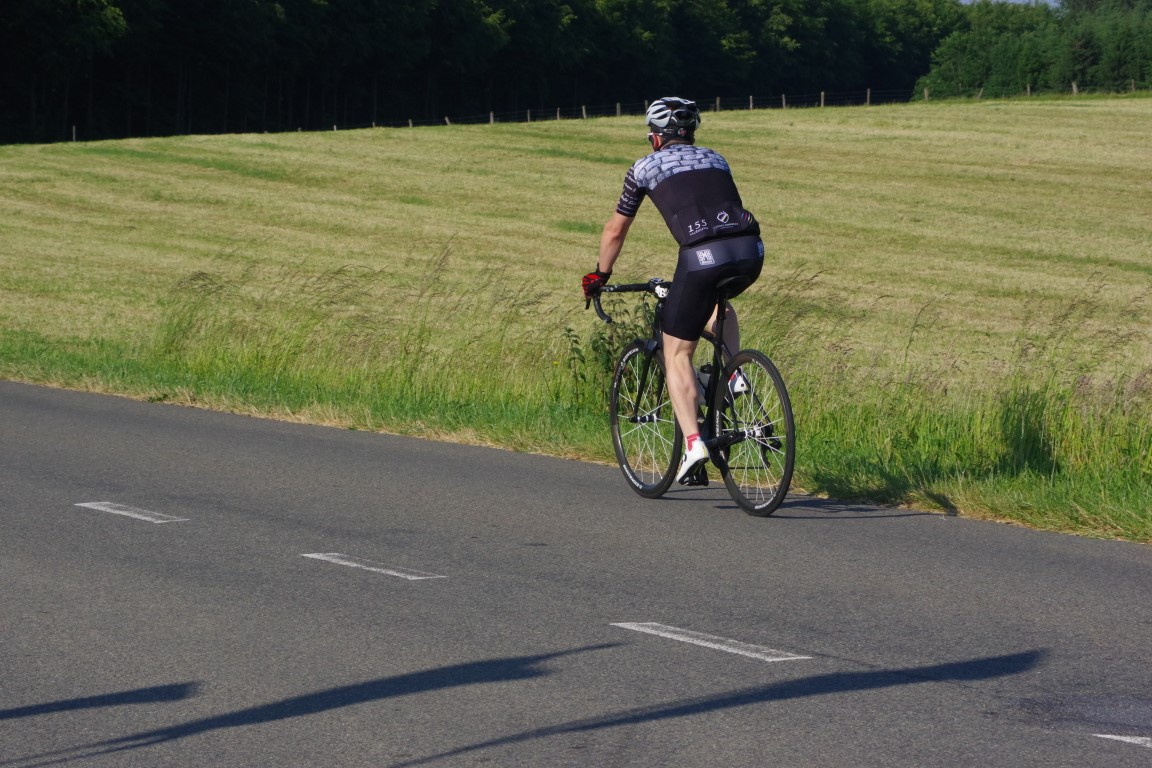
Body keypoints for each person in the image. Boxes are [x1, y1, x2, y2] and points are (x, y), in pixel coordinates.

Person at [582, 96, 764, 485]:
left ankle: (694, 444)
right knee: (718, 305)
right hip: (750, 250)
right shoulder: (716, 158)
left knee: (677, 350)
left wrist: (599, 275)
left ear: (655, 137)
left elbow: (615, 231)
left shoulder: (643, 168)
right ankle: (733, 373)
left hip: (701, 256)